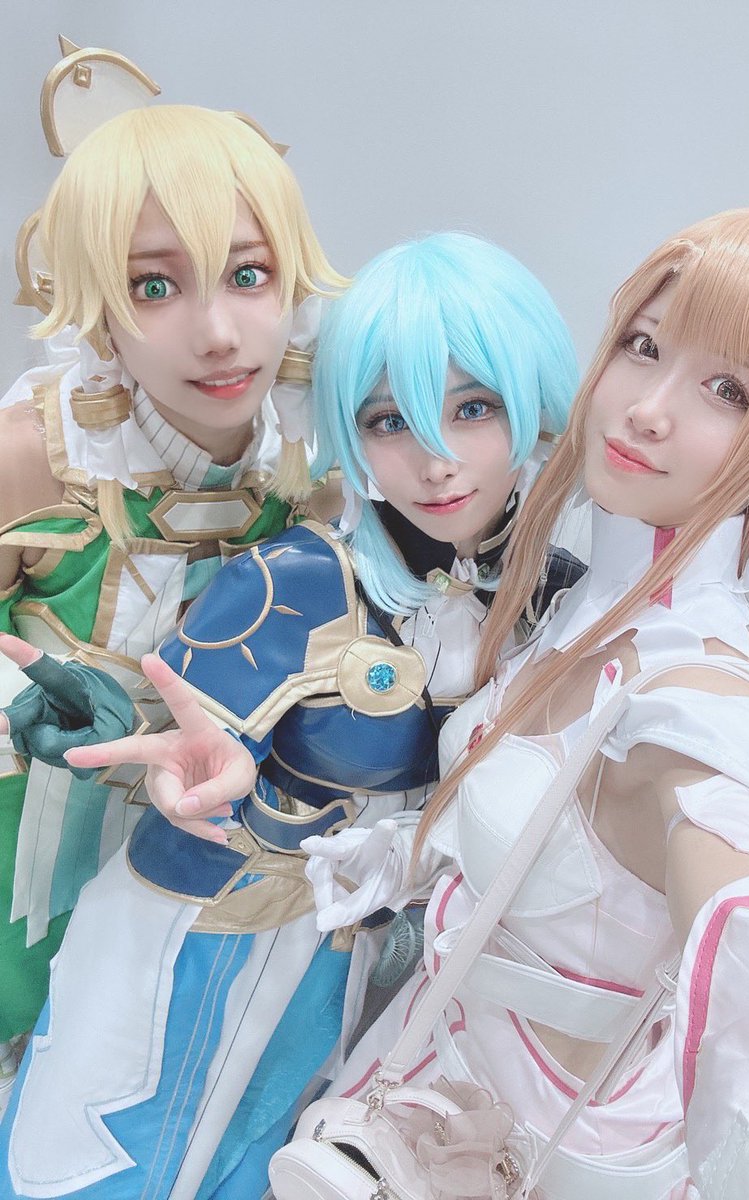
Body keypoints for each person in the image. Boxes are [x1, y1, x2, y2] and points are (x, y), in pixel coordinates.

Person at [285, 208, 749, 1199]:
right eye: (645, 347)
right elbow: (559, 849)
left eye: (728, 390)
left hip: (548, 1152)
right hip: (424, 1087)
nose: (647, 408)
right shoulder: (586, 600)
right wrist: (401, 855)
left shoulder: (700, 711)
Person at [0, 232, 580, 1200]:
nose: (437, 460)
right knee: (104, 1163)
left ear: (537, 405)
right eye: (390, 421)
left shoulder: (558, 599)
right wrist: (204, 770)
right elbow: (193, 743)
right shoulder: (296, 580)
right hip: (190, 936)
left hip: (357, 958)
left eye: (474, 408)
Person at [0, 95, 343, 1111]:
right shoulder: (35, 453)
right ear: (97, 308)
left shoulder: (324, 459)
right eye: (155, 285)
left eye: (249, 274)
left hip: (206, 860)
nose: (219, 334)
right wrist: (28, 698)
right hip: (26, 846)